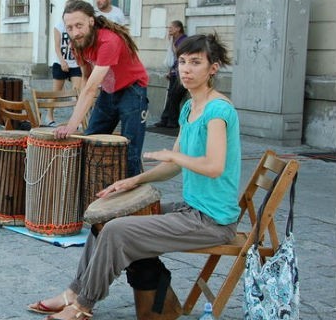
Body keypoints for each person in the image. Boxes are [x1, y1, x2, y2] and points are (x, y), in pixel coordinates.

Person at [29, 33, 239, 320]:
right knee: (106, 220)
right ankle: (74, 292)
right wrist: (134, 181)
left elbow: (213, 166)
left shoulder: (218, 110)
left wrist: (173, 155)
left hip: (211, 221)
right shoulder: (190, 107)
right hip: (192, 209)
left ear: (213, 67)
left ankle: (83, 306)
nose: (186, 69)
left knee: (118, 231)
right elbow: (174, 167)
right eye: (182, 62)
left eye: (195, 62)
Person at [54, 1, 148, 177]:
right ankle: (93, 187)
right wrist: (79, 113)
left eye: (79, 25)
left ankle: (131, 197)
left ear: (91, 21)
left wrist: (72, 125)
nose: (75, 32)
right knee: (91, 139)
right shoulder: (77, 44)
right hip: (109, 90)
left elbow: (90, 89)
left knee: (130, 149)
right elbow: (86, 79)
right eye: (70, 27)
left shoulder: (108, 41)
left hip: (132, 90)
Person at [47, 6, 82, 127]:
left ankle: (76, 119)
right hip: (60, 62)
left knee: (76, 92)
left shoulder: (77, 26)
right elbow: (57, 46)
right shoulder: (58, 26)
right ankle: (49, 116)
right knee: (56, 93)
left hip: (75, 63)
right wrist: (62, 62)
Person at [155, 20, 188, 129]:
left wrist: (174, 46)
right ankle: (165, 120)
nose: (169, 30)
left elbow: (180, 56)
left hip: (182, 74)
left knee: (174, 96)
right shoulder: (173, 40)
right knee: (170, 96)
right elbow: (173, 59)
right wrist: (170, 72)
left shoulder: (183, 40)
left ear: (178, 28)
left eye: (171, 27)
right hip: (175, 72)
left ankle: (173, 121)